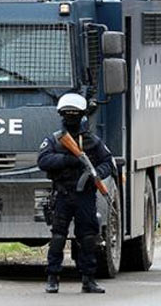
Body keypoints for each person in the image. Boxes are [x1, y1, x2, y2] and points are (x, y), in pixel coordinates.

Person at [37, 93, 115, 294]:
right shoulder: (55, 139)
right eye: (67, 113)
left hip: (85, 195)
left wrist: (95, 174)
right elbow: (43, 161)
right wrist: (68, 160)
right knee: (58, 237)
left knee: (89, 237)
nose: (71, 117)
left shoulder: (92, 141)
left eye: (74, 113)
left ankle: (88, 279)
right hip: (63, 194)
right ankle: (52, 277)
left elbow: (108, 162)